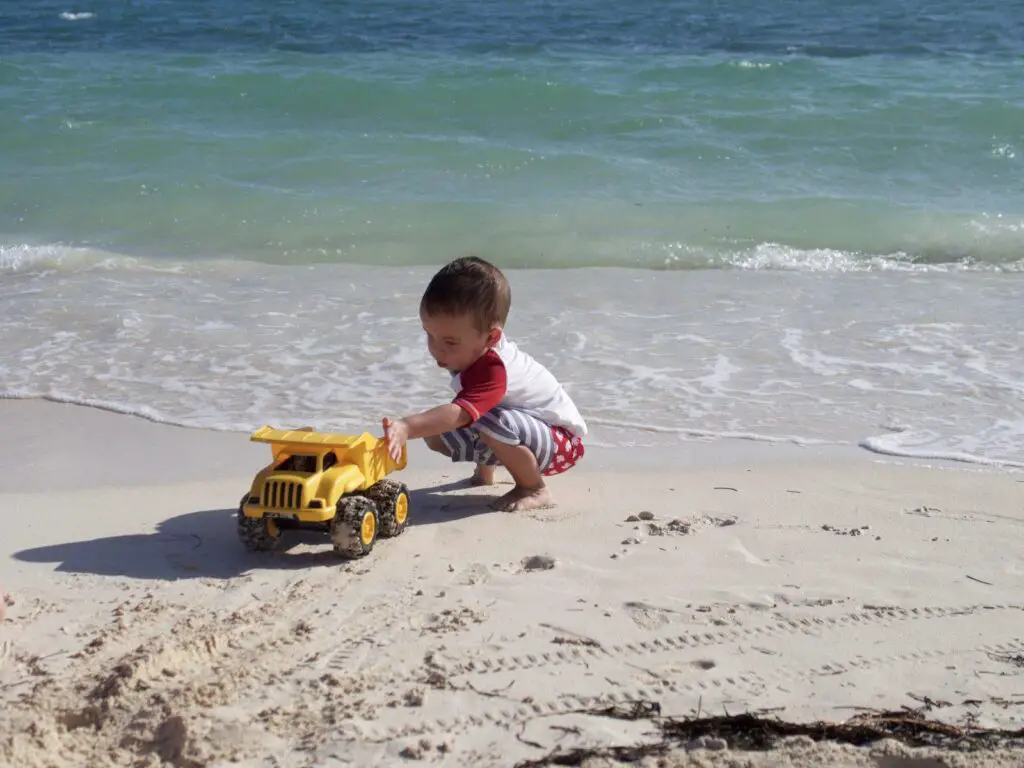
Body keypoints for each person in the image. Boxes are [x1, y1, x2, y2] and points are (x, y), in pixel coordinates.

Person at [382, 256, 586, 511]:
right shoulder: (473, 348)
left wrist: (407, 426)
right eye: (429, 335)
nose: (436, 349)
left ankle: (534, 487)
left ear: (492, 337)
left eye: (450, 342)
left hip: (561, 444)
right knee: (437, 433)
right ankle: (485, 473)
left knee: (484, 419)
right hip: (532, 433)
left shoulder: (493, 368)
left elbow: (462, 414)